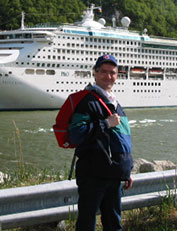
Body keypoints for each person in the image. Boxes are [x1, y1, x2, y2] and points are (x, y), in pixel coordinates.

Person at [68, 54, 134, 231]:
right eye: (103, 72)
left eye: (112, 72)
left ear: (117, 75)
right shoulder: (87, 101)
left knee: (114, 224)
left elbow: (123, 139)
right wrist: (105, 123)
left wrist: (127, 169)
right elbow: (76, 134)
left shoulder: (114, 102)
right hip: (93, 174)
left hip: (113, 174)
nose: (108, 76)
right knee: (87, 224)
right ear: (95, 73)